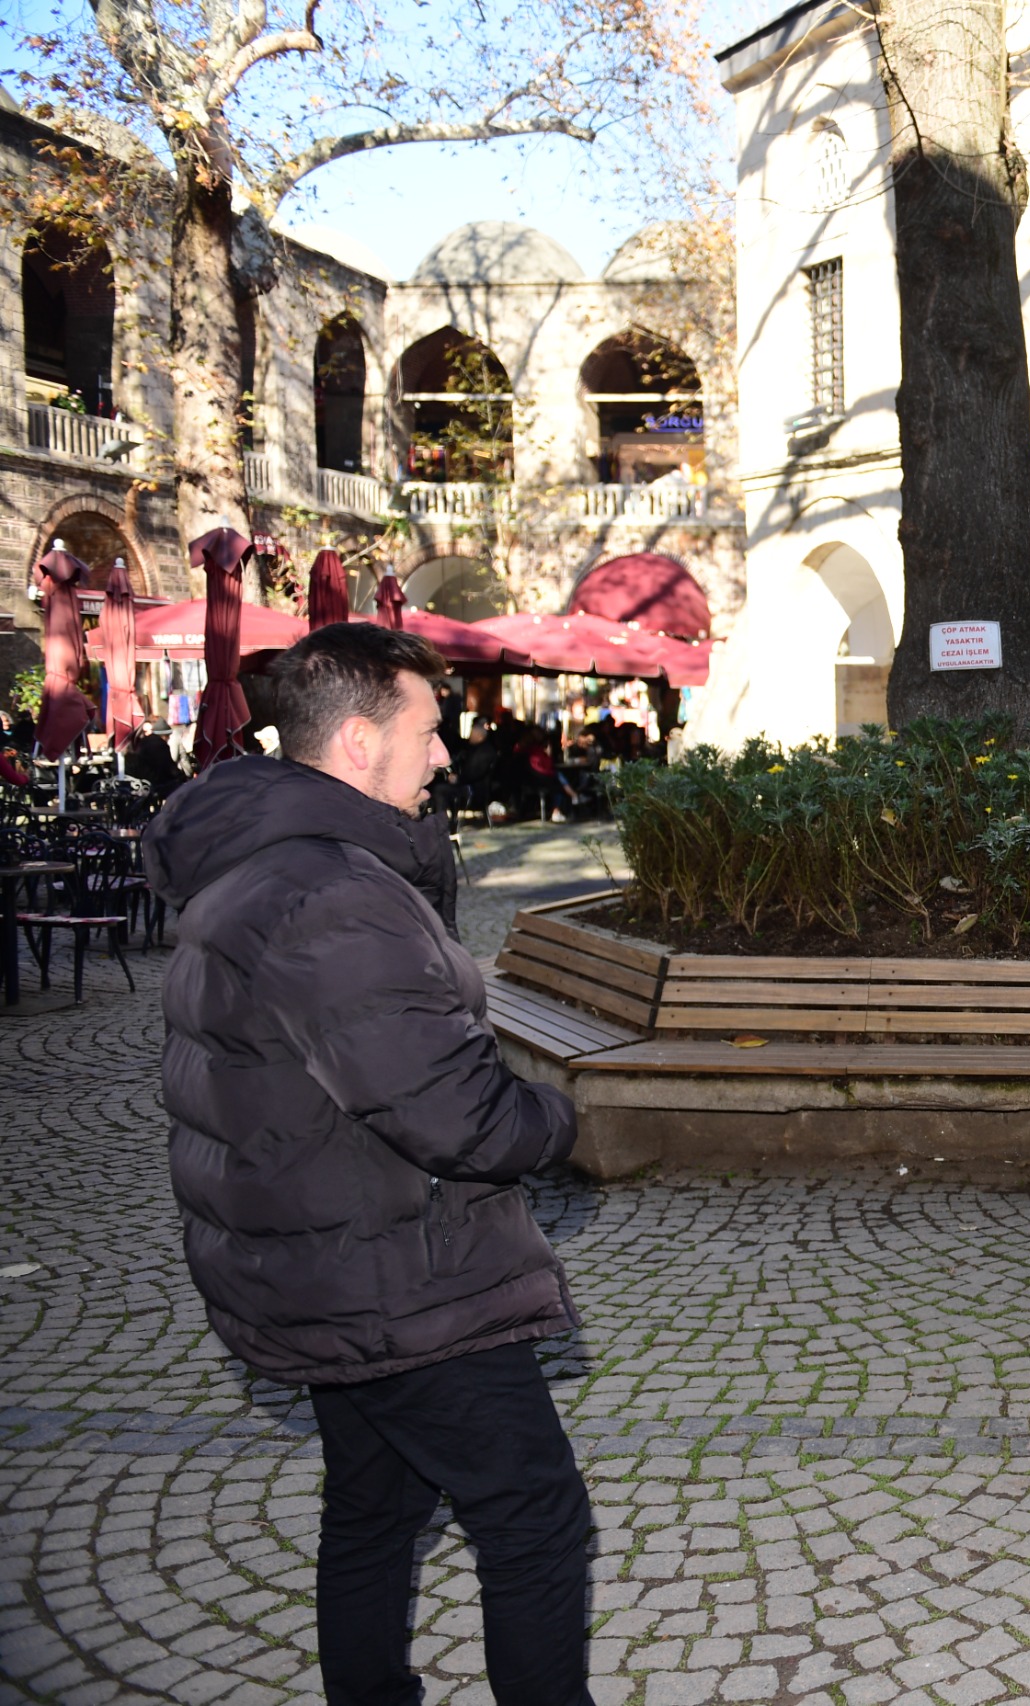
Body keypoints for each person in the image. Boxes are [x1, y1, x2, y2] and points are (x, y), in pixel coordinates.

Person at [141, 623, 592, 1704]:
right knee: (533, 1514)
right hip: (396, 1273)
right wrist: (564, 1118)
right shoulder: (331, 895)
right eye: (429, 732)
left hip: (326, 1256)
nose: (445, 755)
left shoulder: (263, 862)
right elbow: (453, 1116)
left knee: (374, 1508)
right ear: (355, 740)